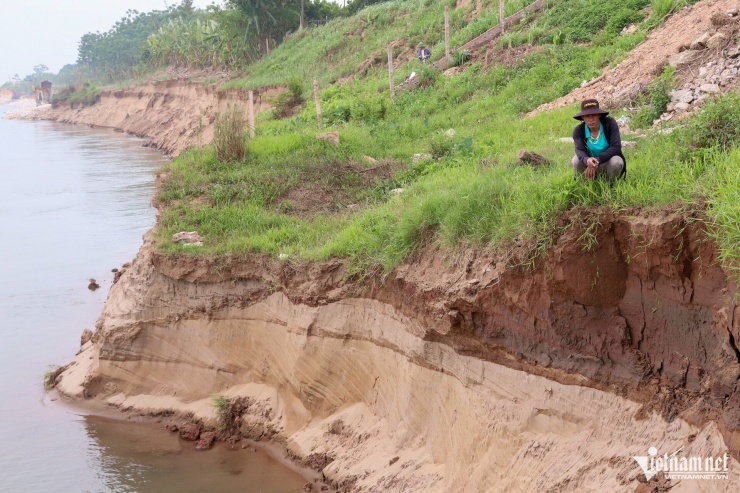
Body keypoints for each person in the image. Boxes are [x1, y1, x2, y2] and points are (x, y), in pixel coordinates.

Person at [571, 99, 626, 181]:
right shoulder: (578, 130)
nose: (591, 119)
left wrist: (598, 160)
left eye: (594, 115)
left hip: (607, 163)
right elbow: (579, 150)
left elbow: (616, 147)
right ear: (583, 117)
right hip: (589, 164)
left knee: (617, 161)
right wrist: (587, 160)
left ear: (599, 115)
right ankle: (585, 184)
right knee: (575, 160)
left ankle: (611, 185)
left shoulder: (610, 123)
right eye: (587, 116)